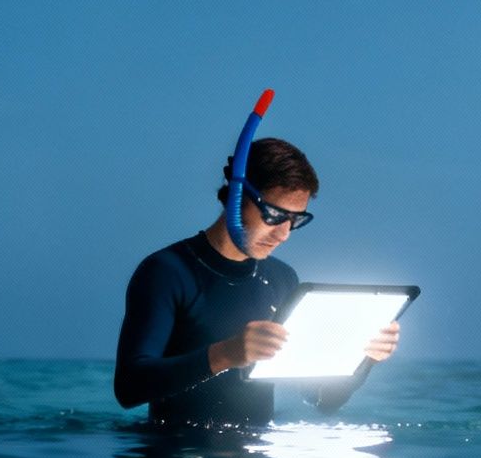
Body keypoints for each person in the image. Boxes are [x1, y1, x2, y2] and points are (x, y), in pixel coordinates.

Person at [113, 138, 399, 426]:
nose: (284, 234)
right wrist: (226, 354)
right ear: (237, 195)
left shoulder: (282, 279)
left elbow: (321, 400)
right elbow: (128, 388)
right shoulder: (166, 272)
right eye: (274, 215)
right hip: (177, 457)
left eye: (295, 220)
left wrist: (365, 361)